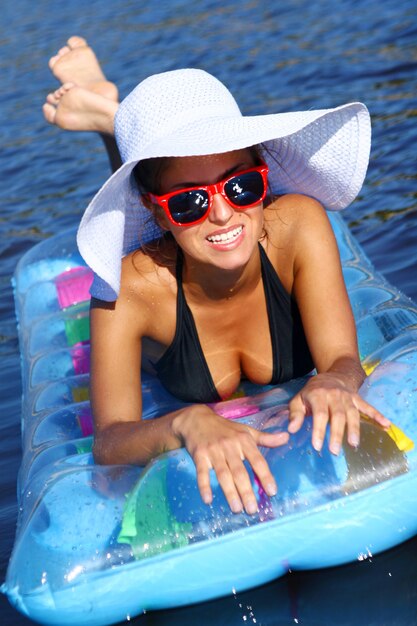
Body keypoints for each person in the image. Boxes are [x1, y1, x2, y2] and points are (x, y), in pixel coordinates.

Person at [43, 37, 390, 516]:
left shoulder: (298, 226)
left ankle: (115, 121)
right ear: (158, 211)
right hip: (159, 287)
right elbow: (110, 441)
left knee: (185, 211)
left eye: (241, 185)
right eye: (189, 201)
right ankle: (114, 126)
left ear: (262, 174)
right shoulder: (128, 292)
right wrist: (182, 423)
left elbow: (343, 359)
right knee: (136, 231)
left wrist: (336, 380)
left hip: (177, 227)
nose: (225, 215)